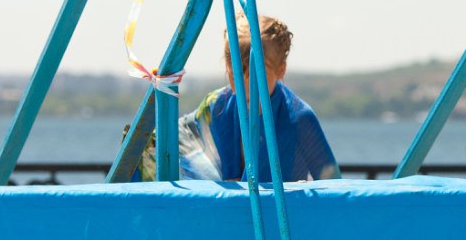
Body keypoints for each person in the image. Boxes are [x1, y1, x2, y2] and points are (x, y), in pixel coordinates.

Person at [135, 14, 339, 183]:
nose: (245, 84)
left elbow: (332, 184)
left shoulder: (300, 118)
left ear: (281, 70)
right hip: (224, 214)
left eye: (257, 75)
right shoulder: (216, 105)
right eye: (236, 74)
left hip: (281, 216)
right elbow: (176, 140)